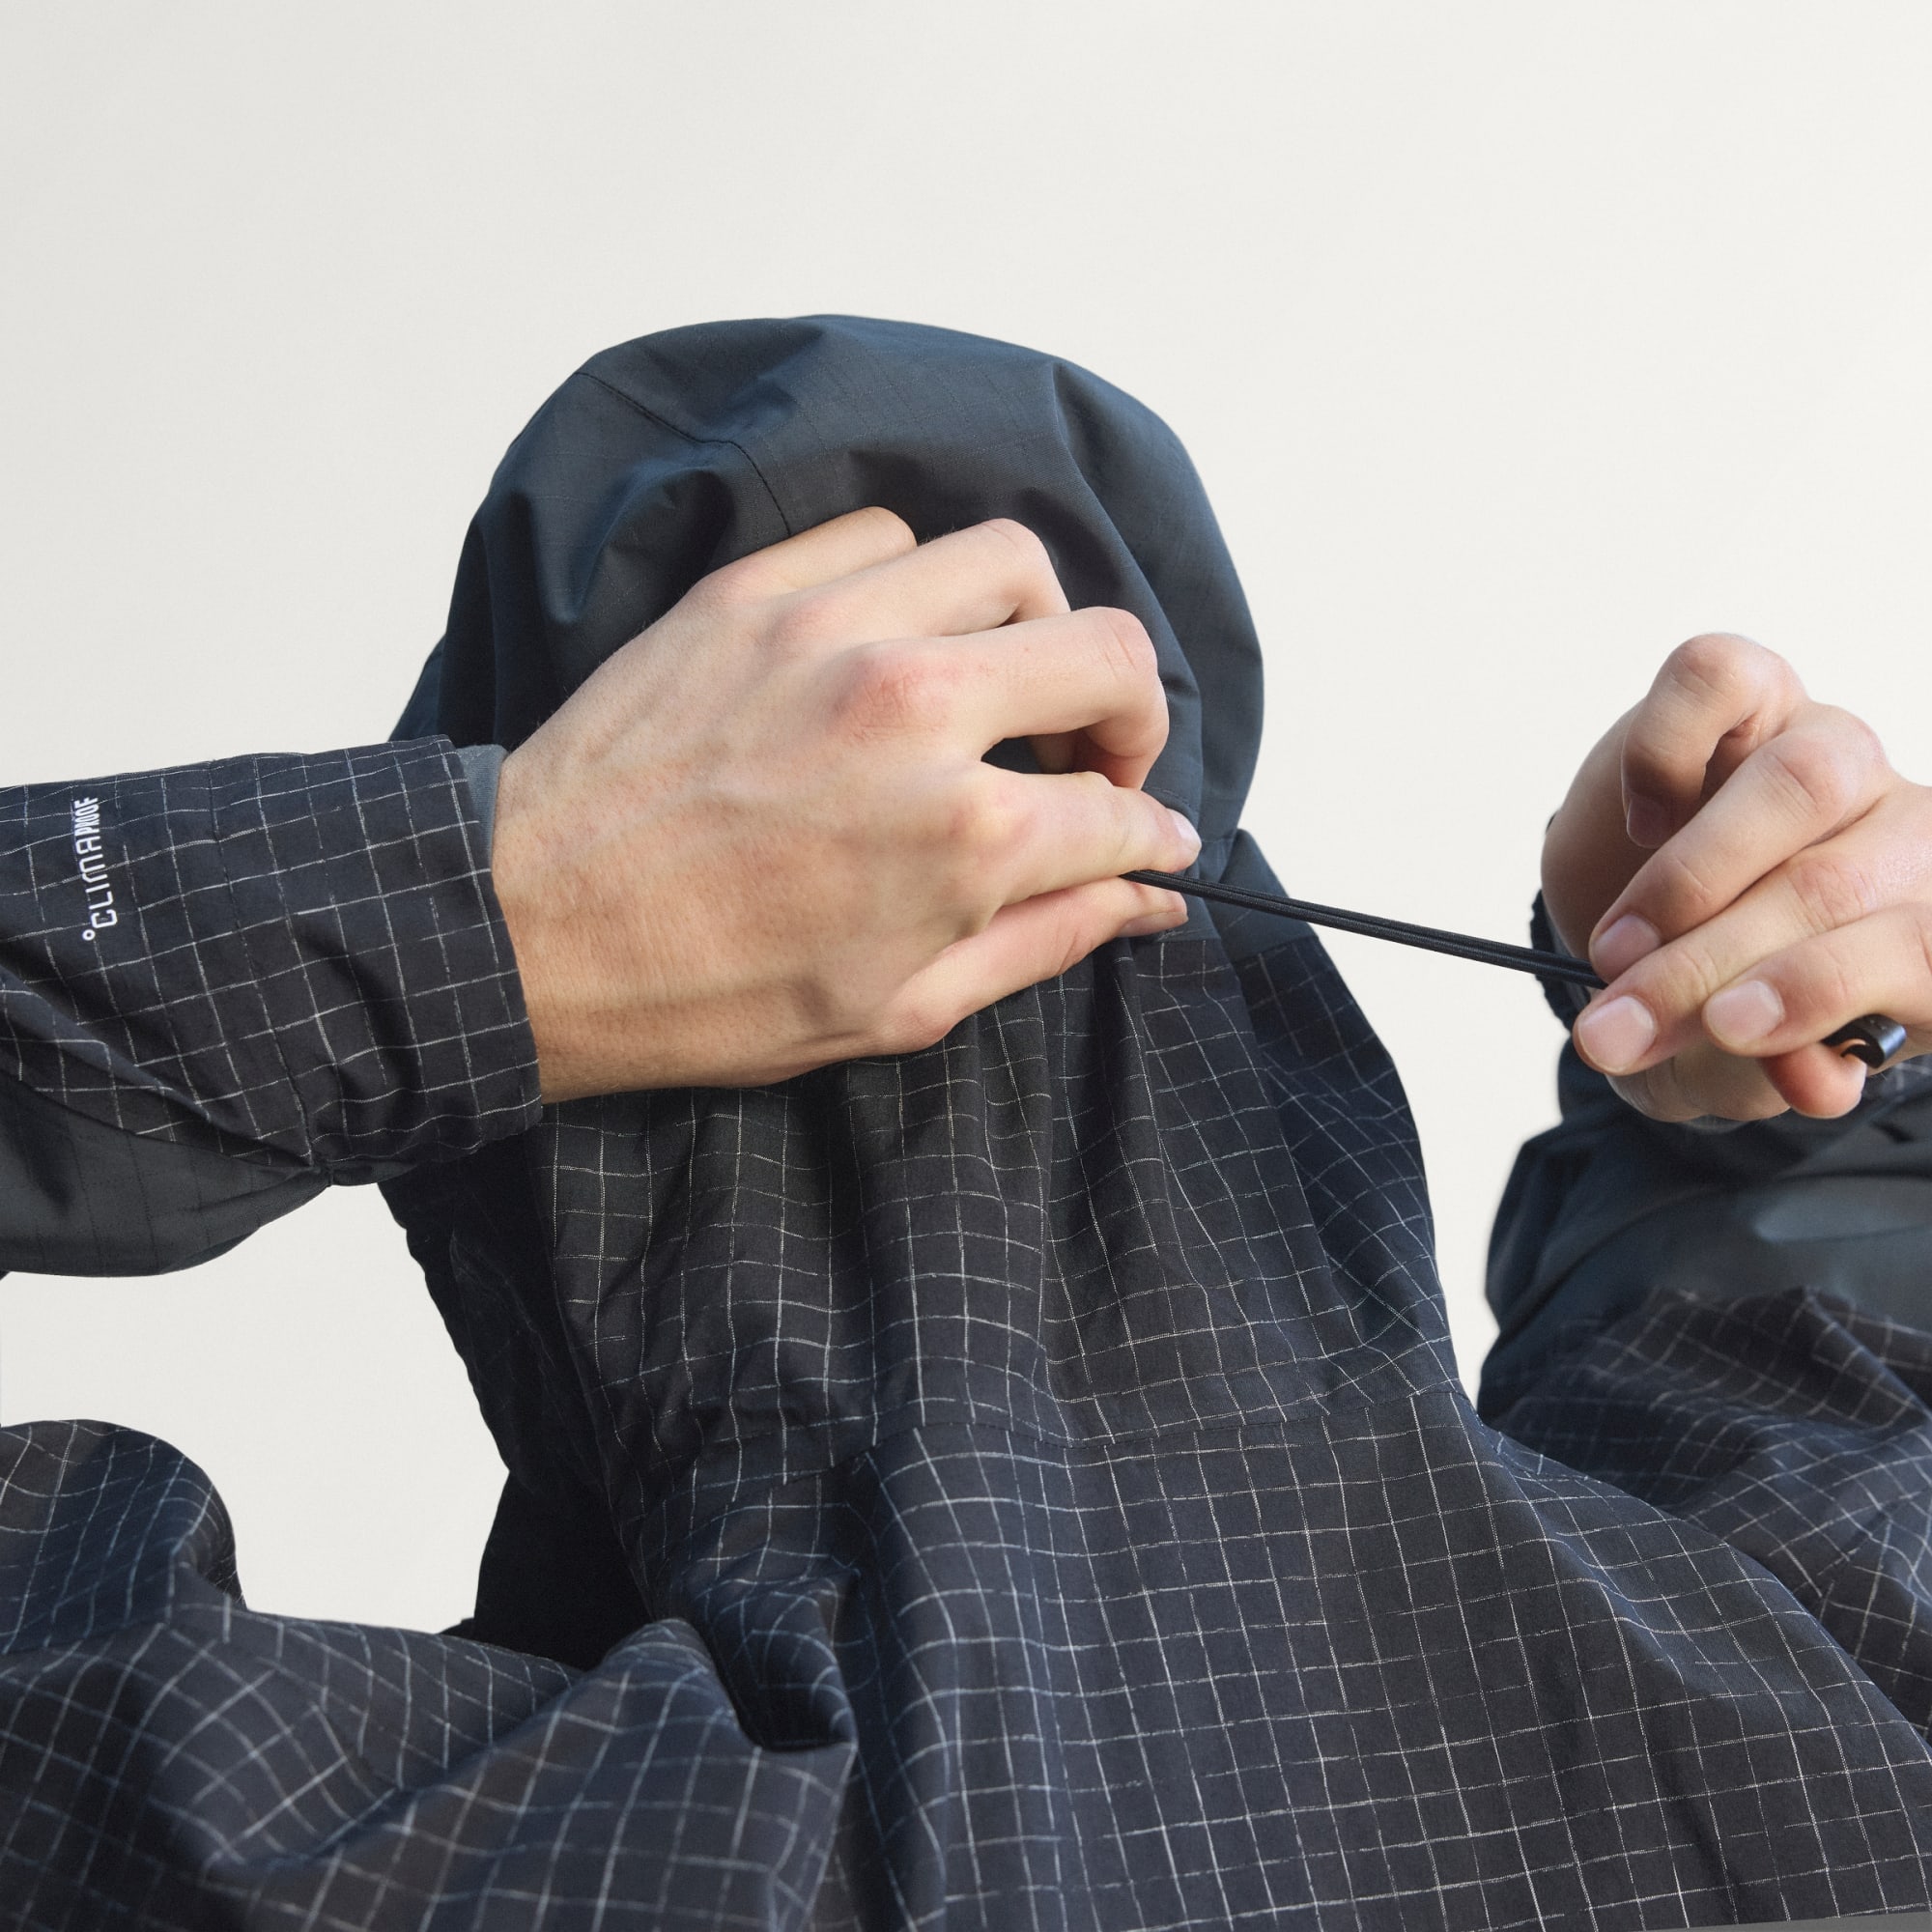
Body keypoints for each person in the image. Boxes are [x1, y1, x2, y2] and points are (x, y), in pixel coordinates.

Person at [4, 317, 1932, 1931]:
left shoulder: (625, 1860)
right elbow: (1802, 1419)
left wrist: (493, 922)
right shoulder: (1823, 1763)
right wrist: (1781, 1062)